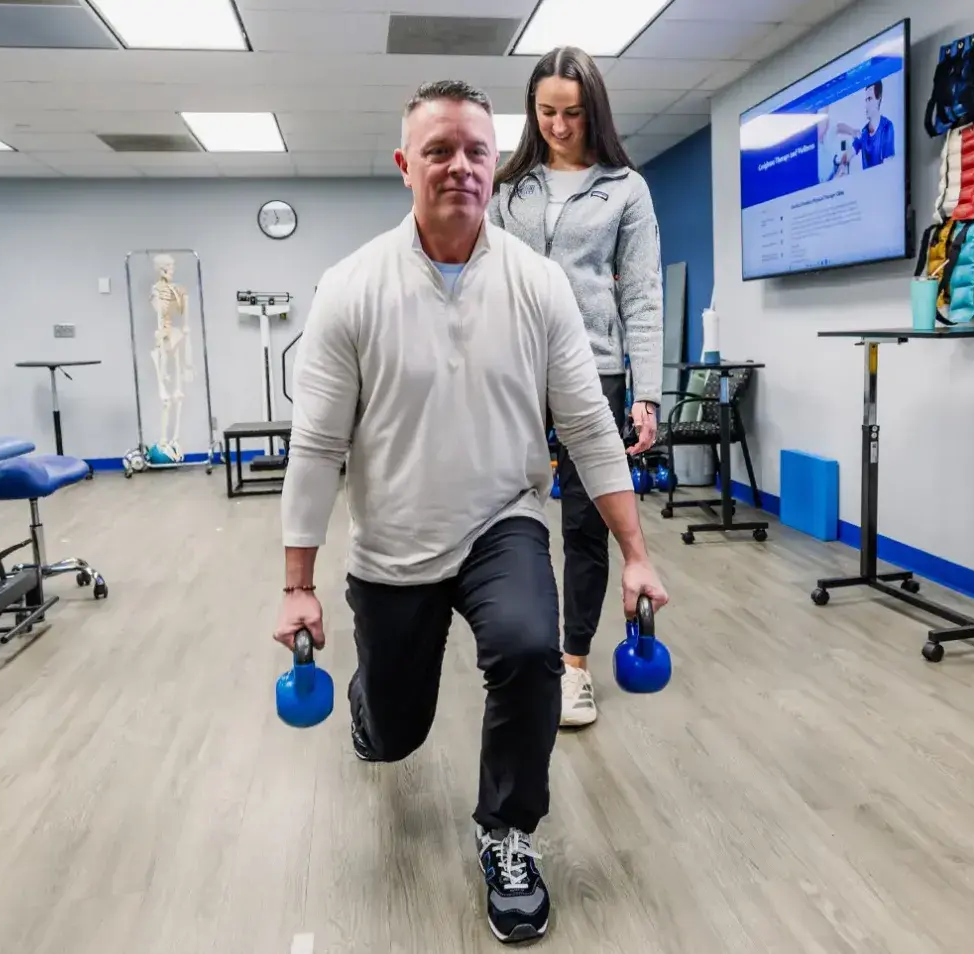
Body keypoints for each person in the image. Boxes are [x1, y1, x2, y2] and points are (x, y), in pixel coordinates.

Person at [274, 79, 669, 944]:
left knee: (532, 650)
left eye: (476, 151)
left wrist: (636, 551)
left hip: (504, 517)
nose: (458, 166)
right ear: (403, 165)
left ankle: (508, 834)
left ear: (496, 164)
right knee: (395, 737)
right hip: (393, 542)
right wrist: (297, 584)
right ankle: (373, 711)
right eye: (438, 151)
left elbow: (589, 431)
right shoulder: (351, 287)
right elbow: (315, 450)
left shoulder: (537, 286)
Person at [488, 46, 664, 729]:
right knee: (512, 515)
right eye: (546, 112)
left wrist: (645, 392)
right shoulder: (510, 186)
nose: (559, 126)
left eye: (573, 113)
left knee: (587, 528)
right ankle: (517, 652)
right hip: (516, 371)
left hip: (599, 372)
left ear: (595, 111)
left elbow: (643, 297)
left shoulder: (625, 188)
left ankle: (575, 667)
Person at [836, 81, 895, 170]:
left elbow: (889, 166)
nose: (866, 105)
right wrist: (842, 164)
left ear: (879, 99)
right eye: (866, 100)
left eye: (870, 99)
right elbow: (849, 154)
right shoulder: (863, 132)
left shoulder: (887, 127)